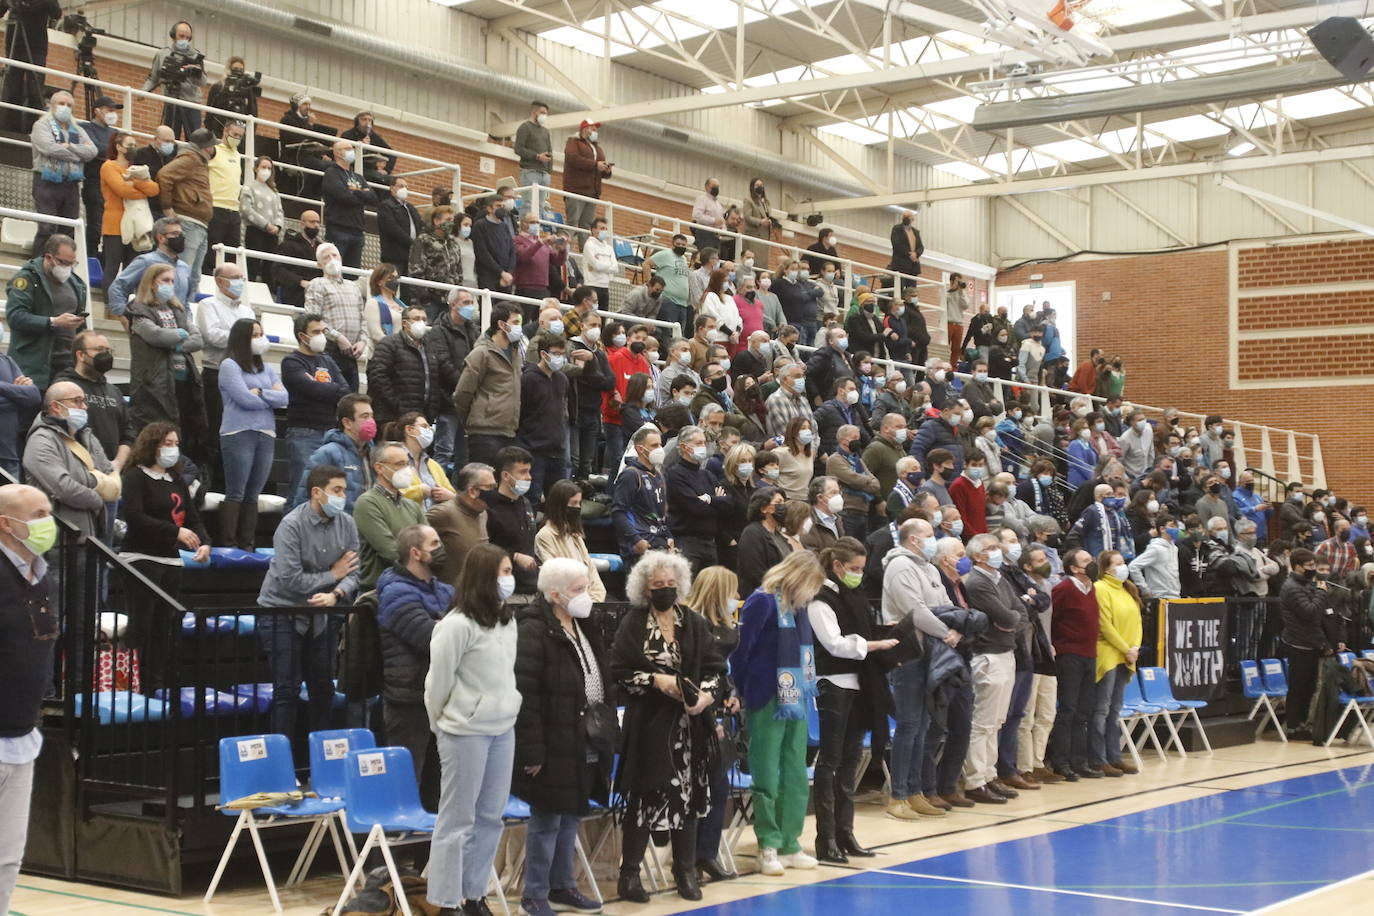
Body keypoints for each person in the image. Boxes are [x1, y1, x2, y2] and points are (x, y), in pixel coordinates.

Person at [612, 550, 721, 902]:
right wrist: (655, 680)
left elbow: (717, 670)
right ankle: (629, 875)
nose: (665, 590)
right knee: (644, 800)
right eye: (658, 585)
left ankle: (685, 871)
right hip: (649, 725)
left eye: (671, 584)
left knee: (689, 801)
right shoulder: (632, 623)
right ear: (645, 589)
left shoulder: (694, 622)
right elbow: (619, 673)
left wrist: (705, 696)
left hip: (691, 727)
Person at [425, 543, 520, 916]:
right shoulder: (455, 625)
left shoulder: (508, 620)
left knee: (490, 816)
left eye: (511, 571)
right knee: (457, 819)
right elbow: (437, 684)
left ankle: (474, 894)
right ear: (484, 576)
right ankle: (446, 901)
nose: (509, 579)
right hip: (463, 731)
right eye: (504, 572)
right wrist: (443, 725)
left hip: (503, 728)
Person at [731, 549, 826, 876]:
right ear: (798, 579)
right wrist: (740, 691)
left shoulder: (799, 608)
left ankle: (790, 842)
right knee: (767, 774)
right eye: (811, 586)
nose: (813, 594)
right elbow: (742, 651)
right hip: (766, 695)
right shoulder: (761, 601)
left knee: (796, 773)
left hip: (795, 696)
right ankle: (767, 845)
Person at [808, 539, 898, 862]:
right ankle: (826, 837)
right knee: (830, 761)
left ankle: (846, 832)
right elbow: (834, 644)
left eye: (862, 569)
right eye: (855, 569)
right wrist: (874, 646)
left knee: (849, 763)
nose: (859, 574)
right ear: (837, 566)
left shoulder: (855, 596)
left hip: (859, 685)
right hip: (833, 684)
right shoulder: (820, 599)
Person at [256, 464, 360, 738]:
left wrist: (336, 594)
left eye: (344, 490)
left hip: (322, 613)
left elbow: (354, 572)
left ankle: (320, 762)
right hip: (281, 612)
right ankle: (283, 765)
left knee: (323, 688)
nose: (343, 497)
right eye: (336, 490)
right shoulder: (291, 525)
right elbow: (290, 579)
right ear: (316, 492)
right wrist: (333, 575)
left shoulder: (347, 523)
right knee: (286, 691)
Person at [0, 484, 60, 914]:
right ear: (7, 523)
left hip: (22, 733)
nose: (47, 521)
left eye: (48, 511)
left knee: (7, 858)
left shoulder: (44, 574)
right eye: (37, 513)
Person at [117, 421, 209, 687]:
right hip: (141, 558)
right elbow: (134, 517)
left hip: (171, 561)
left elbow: (192, 516)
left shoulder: (176, 479)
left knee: (165, 628)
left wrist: (204, 542)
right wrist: (174, 532)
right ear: (152, 445)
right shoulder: (135, 475)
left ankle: (156, 684)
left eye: (176, 444)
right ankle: (132, 684)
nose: (173, 449)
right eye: (167, 444)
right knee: (141, 625)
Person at [882, 519, 962, 816]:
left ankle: (915, 791)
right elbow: (915, 610)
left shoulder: (929, 567)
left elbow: (943, 605)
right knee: (908, 724)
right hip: (909, 652)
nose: (934, 539)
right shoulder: (900, 566)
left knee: (925, 725)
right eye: (929, 535)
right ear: (914, 539)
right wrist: (947, 632)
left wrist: (955, 625)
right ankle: (897, 796)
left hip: (932, 653)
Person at [376, 524, 452, 808]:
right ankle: (387, 851)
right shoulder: (395, 591)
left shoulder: (444, 589)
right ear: (415, 553)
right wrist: (446, 627)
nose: (441, 548)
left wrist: (445, 625)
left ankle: (428, 853)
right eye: (435, 543)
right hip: (408, 699)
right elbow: (430, 639)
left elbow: (468, 630)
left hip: (440, 698)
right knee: (405, 787)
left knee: (436, 790)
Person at [959, 533, 1025, 804]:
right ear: (977, 556)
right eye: (991, 548)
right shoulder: (976, 582)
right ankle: (975, 780)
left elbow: (1019, 613)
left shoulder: (1001, 578)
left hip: (1006, 652)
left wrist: (1011, 619)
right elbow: (1004, 615)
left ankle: (989, 774)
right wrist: (1010, 618)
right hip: (987, 655)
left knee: (997, 721)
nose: (998, 551)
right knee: (983, 722)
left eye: (998, 546)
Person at [215, 318, 285, 547]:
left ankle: (247, 542)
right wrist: (266, 396)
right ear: (242, 338)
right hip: (238, 432)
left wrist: (260, 393)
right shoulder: (229, 365)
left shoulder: (266, 368)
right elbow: (244, 399)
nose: (260, 339)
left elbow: (284, 398)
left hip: (265, 432)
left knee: (253, 492)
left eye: (261, 333)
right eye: (255, 335)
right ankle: (229, 542)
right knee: (237, 490)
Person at [127, 263, 206, 460]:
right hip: (155, 385)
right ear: (152, 283)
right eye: (165, 280)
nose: (170, 285)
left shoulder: (178, 308)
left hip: (183, 382)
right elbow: (155, 335)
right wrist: (178, 334)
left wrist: (176, 343)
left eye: (172, 281)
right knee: (155, 438)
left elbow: (197, 339)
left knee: (181, 435)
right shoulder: (138, 309)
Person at [5, 235, 88, 389]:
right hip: (33, 363)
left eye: (72, 263)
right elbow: (15, 317)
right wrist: (53, 322)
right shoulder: (27, 279)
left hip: (67, 366)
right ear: (49, 257)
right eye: (64, 263)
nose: (68, 268)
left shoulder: (76, 283)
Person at [1088, 550, 1142, 777]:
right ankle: (1098, 758)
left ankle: (1115, 755)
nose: (1123, 567)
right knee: (1101, 709)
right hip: (1109, 654)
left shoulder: (1128, 589)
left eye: (1124, 563)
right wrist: (1125, 648)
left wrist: (1135, 648)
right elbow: (1105, 625)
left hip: (1127, 656)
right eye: (1118, 563)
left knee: (1115, 709)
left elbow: (1137, 621)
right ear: (1107, 568)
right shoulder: (1100, 588)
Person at [196, 263, 254, 471]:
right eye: (235, 277)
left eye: (241, 277)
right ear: (220, 281)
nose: (240, 282)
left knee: (238, 431)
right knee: (214, 430)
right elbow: (212, 336)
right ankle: (209, 480)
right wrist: (241, 337)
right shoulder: (208, 305)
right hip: (216, 373)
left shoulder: (247, 310)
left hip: (243, 376)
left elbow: (255, 340)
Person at [454, 302, 524, 467]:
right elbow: (462, 394)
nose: (519, 328)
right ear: (501, 324)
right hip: (484, 433)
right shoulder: (481, 353)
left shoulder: (515, 354)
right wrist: (476, 420)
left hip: (509, 432)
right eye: (515, 323)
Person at [29, 91, 97, 258]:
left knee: (67, 231)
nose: (65, 108)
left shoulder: (78, 129)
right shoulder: (41, 125)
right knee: (47, 227)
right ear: (51, 106)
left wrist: (71, 147)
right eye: (61, 104)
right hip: (47, 182)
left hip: (71, 184)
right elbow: (50, 148)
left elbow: (92, 151)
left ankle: (60, 267)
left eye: (69, 105)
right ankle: (36, 266)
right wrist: (77, 155)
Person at [53, 332, 128, 480]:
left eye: (108, 351)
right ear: (81, 355)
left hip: (112, 476)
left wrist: (117, 464)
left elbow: (128, 435)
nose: (105, 355)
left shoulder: (114, 392)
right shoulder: (63, 386)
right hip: (78, 474)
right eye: (99, 350)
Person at [354, 442, 428, 590]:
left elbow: (430, 542)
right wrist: (424, 562)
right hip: (380, 590)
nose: (406, 470)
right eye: (399, 464)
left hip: (416, 586)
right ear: (379, 468)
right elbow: (389, 551)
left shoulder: (411, 505)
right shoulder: (367, 503)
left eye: (407, 464)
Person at [369, 305, 453, 430]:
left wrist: (431, 411)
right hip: (393, 418)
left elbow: (435, 381)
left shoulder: (430, 347)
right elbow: (378, 377)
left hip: (422, 418)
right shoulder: (389, 344)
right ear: (405, 323)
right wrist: (398, 406)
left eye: (424, 319)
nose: (421, 323)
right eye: (416, 318)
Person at [1279, 548, 1333, 739]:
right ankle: (1293, 727)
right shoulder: (1291, 587)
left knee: (1309, 687)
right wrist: (1320, 592)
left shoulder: (1306, 584)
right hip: (1297, 644)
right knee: (1298, 688)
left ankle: (1303, 724)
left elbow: (1319, 616)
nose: (1314, 569)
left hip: (1311, 643)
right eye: (1310, 566)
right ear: (1298, 567)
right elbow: (1310, 613)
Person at [292, 392, 376, 511]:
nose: (371, 421)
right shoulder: (327, 453)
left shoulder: (374, 453)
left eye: (371, 416)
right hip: (338, 525)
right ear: (347, 423)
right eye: (364, 416)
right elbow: (304, 498)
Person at [98, 130, 159, 291]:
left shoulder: (136, 169)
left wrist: (135, 182)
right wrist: (140, 187)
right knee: (112, 267)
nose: (133, 148)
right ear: (119, 147)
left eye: (134, 145)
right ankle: (109, 306)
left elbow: (154, 189)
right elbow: (122, 190)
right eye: (129, 145)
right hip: (114, 224)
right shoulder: (109, 166)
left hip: (135, 224)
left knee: (131, 269)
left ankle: (125, 305)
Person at [304, 243, 366, 392]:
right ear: (320, 264)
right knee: (332, 396)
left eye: (334, 255)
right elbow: (313, 319)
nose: (332, 259)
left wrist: (363, 341)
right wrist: (338, 337)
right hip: (329, 351)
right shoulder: (317, 284)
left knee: (351, 401)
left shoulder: (353, 286)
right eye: (326, 257)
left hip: (351, 353)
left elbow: (363, 318)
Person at [518, 334, 571, 504]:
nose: (559, 358)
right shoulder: (528, 379)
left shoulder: (562, 379)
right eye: (555, 353)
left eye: (562, 354)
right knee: (532, 498)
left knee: (559, 501)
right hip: (534, 449)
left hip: (557, 450)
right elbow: (520, 412)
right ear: (543, 354)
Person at [156, 128, 217, 275]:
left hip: (198, 224)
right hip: (189, 223)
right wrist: (167, 207)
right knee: (183, 274)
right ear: (207, 147)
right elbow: (164, 175)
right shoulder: (191, 158)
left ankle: (184, 299)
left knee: (192, 277)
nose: (214, 150)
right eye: (212, 146)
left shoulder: (195, 159)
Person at [666, 425, 727, 572]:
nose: (703, 446)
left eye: (704, 442)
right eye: (698, 443)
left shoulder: (708, 475)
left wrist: (709, 500)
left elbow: (728, 504)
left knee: (710, 591)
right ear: (684, 447)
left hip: (710, 542)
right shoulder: (675, 474)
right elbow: (694, 507)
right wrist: (716, 500)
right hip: (687, 542)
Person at [534, 479, 606, 602]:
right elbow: (556, 576)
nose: (577, 508)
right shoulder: (545, 536)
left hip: (587, 602)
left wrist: (595, 601)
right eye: (573, 503)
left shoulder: (576, 536)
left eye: (579, 503)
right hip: (564, 602)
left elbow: (592, 573)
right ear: (560, 505)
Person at [484, 447, 541, 597]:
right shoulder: (488, 508)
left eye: (529, 471)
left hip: (531, 585)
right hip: (503, 588)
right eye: (522, 472)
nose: (529, 477)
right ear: (505, 476)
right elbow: (483, 550)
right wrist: (514, 556)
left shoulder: (526, 503)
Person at [612, 427, 672, 563]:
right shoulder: (631, 475)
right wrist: (636, 540)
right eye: (654, 445)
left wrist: (669, 536)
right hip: (641, 546)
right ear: (640, 449)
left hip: (660, 543)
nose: (659, 449)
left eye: (660, 445)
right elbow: (618, 512)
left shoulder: (659, 475)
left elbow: (662, 512)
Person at [428, 463, 494, 585]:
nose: (493, 492)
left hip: (477, 592)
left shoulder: (483, 513)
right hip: (450, 595)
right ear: (472, 491)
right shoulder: (443, 513)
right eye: (489, 487)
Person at [319, 139, 377, 269]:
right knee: (334, 269)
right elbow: (343, 196)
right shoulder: (332, 173)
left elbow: (373, 198)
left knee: (352, 275)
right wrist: (361, 193)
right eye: (348, 149)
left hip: (357, 231)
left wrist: (353, 192)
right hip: (338, 229)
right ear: (338, 153)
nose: (352, 152)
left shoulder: (358, 177)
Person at [143, 20, 206, 138]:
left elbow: (203, 81)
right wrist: (143, 92)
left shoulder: (196, 55)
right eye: (181, 36)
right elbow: (153, 78)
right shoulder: (162, 54)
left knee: (194, 139)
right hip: (171, 102)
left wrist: (194, 71)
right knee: (170, 138)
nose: (184, 40)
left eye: (187, 37)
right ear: (173, 36)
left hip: (192, 104)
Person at [408, 204, 467, 316]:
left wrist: (457, 295)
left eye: (452, 220)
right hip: (429, 301)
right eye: (448, 219)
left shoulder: (454, 244)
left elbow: (459, 272)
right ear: (436, 221)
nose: (451, 223)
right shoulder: (423, 240)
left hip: (450, 301)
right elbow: (416, 270)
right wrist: (424, 297)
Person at [204, 121, 245, 274]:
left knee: (232, 255)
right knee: (212, 252)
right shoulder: (214, 150)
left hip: (234, 210)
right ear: (225, 131)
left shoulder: (237, 155)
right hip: (216, 207)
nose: (237, 138)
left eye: (240, 136)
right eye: (235, 134)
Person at [239, 155, 284, 283]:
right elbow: (246, 209)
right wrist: (266, 225)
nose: (266, 170)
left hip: (272, 234)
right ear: (256, 169)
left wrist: (277, 226)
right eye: (263, 167)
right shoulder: (249, 187)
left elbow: (280, 211)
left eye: (269, 168)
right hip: (255, 231)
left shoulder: (274, 191)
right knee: (252, 263)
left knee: (269, 266)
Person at [562, 121, 610, 231]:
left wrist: (606, 170)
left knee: (587, 226)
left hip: (592, 193)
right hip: (576, 190)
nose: (595, 132)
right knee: (572, 222)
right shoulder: (573, 142)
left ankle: (584, 248)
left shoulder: (597, 148)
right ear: (584, 129)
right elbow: (573, 159)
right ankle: (566, 247)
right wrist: (595, 165)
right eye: (592, 129)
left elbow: (597, 167)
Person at [274, 209, 322, 309]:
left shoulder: (322, 248)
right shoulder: (288, 245)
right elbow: (277, 270)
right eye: (312, 222)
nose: (316, 225)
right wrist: (300, 282)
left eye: (318, 222)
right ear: (302, 224)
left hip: (318, 294)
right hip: (295, 293)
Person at [514, 101, 554, 209]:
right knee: (528, 204)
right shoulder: (525, 127)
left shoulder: (546, 131)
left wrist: (549, 172)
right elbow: (518, 149)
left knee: (541, 205)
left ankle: (536, 226)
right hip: (529, 172)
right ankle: (525, 226)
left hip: (544, 174)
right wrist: (537, 156)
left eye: (546, 113)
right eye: (542, 112)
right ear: (533, 112)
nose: (544, 116)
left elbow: (550, 151)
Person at [741, 177, 774, 271]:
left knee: (763, 264)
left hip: (764, 237)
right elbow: (747, 217)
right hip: (754, 235)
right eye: (757, 185)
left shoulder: (766, 202)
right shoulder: (748, 200)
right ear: (752, 187)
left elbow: (767, 215)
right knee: (754, 262)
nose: (760, 187)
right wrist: (760, 222)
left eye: (761, 185)